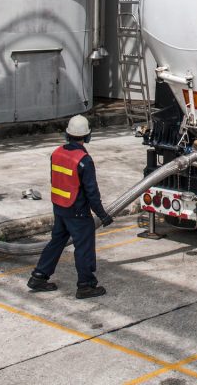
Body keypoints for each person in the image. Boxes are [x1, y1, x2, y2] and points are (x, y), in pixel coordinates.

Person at [28, 115, 114, 299]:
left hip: (60, 207)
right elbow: (92, 193)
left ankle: (39, 276)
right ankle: (86, 285)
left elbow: (56, 179)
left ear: (67, 134)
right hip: (78, 211)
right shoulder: (84, 160)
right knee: (84, 247)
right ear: (87, 136)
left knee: (56, 242)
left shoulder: (57, 153)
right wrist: (102, 215)